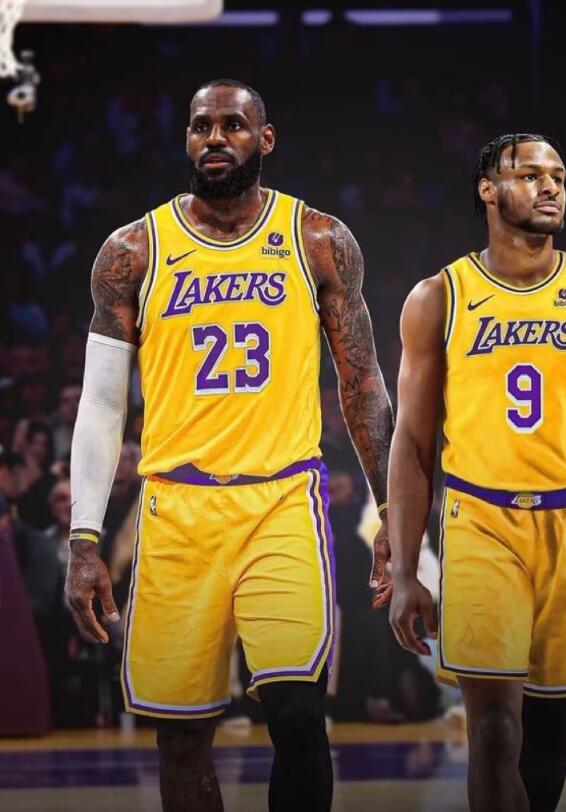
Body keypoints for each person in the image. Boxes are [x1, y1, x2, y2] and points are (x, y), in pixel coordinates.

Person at [65, 79, 393, 812]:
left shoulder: (318, 239)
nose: (215, 137)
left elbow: (363, 381)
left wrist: (391, 511)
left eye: (233, 125)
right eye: (200, 126)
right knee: (181, 739)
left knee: (299, 715)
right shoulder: (132, 250)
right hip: (176, 511)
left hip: (282, 502)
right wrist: (85, 538)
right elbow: (102, 404)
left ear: (264, 139)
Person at [386, 134, 566, 812]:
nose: (550, 187)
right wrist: (404, 569)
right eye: (530, 174)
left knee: (547, 750)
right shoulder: (438, 297)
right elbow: (412, 443)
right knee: (491, 733)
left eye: (558, 177)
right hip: (480, 522)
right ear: (487, 189)